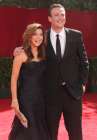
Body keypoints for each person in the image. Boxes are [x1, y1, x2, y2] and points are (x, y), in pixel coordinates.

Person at [13, 3, 89, 140]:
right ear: (49, 18)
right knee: (50, 135)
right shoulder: (43, 37)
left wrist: (82, 84)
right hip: (50, 96)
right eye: (56, 15)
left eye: (62, 14)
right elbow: (31, 48)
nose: (60, 17)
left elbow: (84, 62)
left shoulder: (76, 35)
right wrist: (17, 50)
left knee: (76, 133)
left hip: (73, 94)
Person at [9, 23, 50, 140]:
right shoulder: (21, 55)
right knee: (28, 131)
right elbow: (14, 79)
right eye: (34, 34)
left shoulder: (45, 54)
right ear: (29, 36)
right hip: (26, 99)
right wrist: (15, 100)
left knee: (40, 128)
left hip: (41, 99)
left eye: (41, 34)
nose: (38, 37)